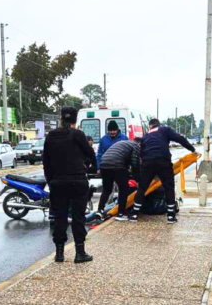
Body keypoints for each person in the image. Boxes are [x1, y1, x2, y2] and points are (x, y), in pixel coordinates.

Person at [43, 107, 96, 264]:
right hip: (78, 181)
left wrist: (51, 181)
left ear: (61, 118)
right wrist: (86, 166)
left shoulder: (51, 136)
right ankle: (80, 253)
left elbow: (46, 162)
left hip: (58, 182)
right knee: (78, 217)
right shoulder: (78, 134)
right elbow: (91, 155)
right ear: (75, 120)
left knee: (60, 217)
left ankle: (59, 253)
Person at [129, 118, 196, 224]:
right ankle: (170, 216)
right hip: (163, 161)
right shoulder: (165, 130)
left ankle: (134, 214)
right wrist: (192, 149)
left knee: (142, 188)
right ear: (158, 125)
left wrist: (144, 172)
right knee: (169, 187)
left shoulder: (145, 136)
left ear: (150, 127)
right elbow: (179, 138)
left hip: (148, 162)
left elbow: (141, 155)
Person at [96, 137, 141, 221]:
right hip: (118, 165)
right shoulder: (136, 146)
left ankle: (100, 210)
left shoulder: (124, 143)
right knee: (124, 189)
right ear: (139, 144)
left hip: (104, 164)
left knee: (107, 189)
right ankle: (121, 213)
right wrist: (137, 180)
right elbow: (135, 164)